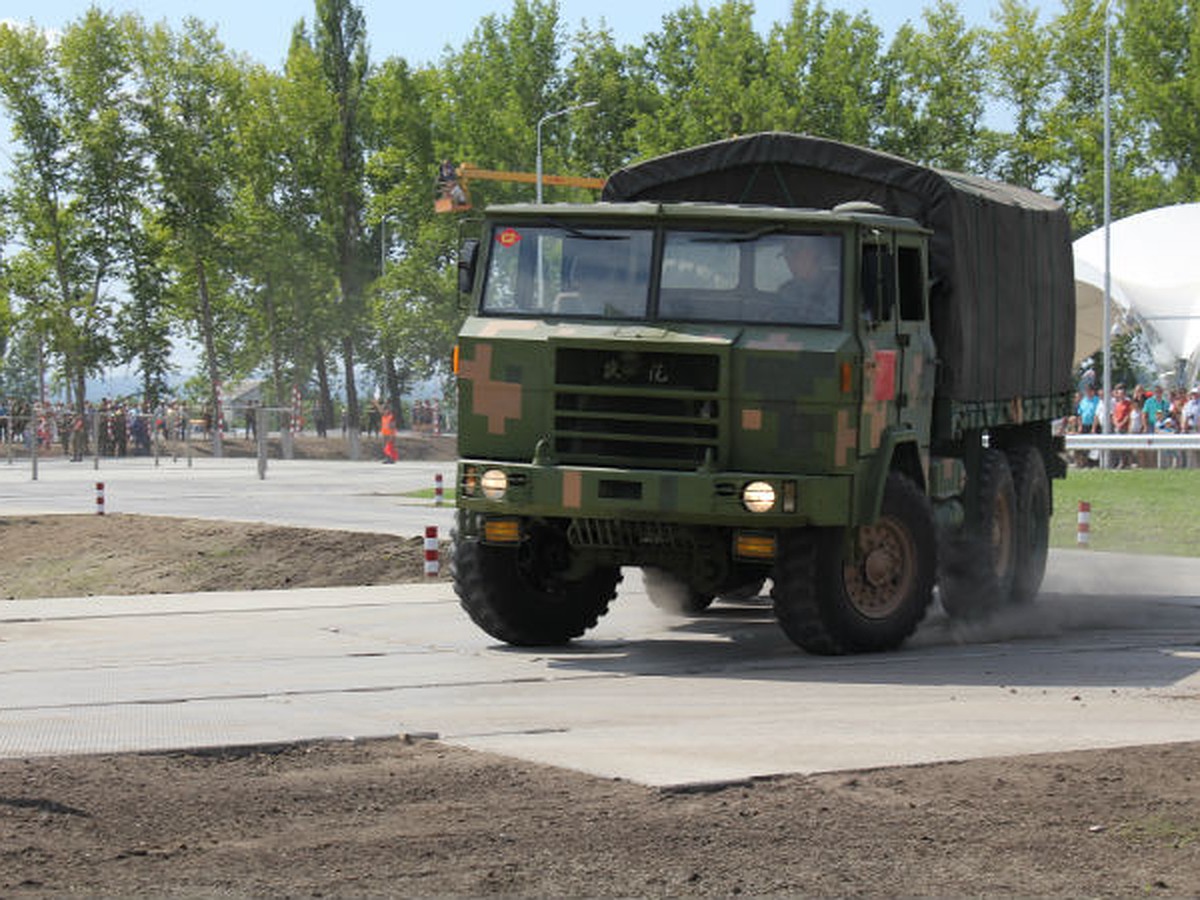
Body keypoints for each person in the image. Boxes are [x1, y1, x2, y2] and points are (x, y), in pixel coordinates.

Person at [777, 237, 840, 324]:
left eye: (794, 253)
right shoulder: (787, 290)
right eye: (786, 255)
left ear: (817, 254)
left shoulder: (840, 290)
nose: (789, 260)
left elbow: (830, 327)